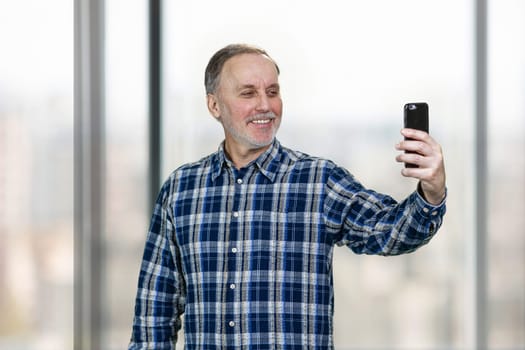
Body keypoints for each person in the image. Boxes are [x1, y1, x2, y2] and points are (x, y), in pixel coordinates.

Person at [128, 43, 447, 349]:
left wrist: (431, 191)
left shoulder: (318, 181)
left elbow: (391, 232)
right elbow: (155, 314)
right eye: (248, 93)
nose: (265, 105)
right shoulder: (181, 189)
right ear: (214, 105)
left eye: (272, 91)